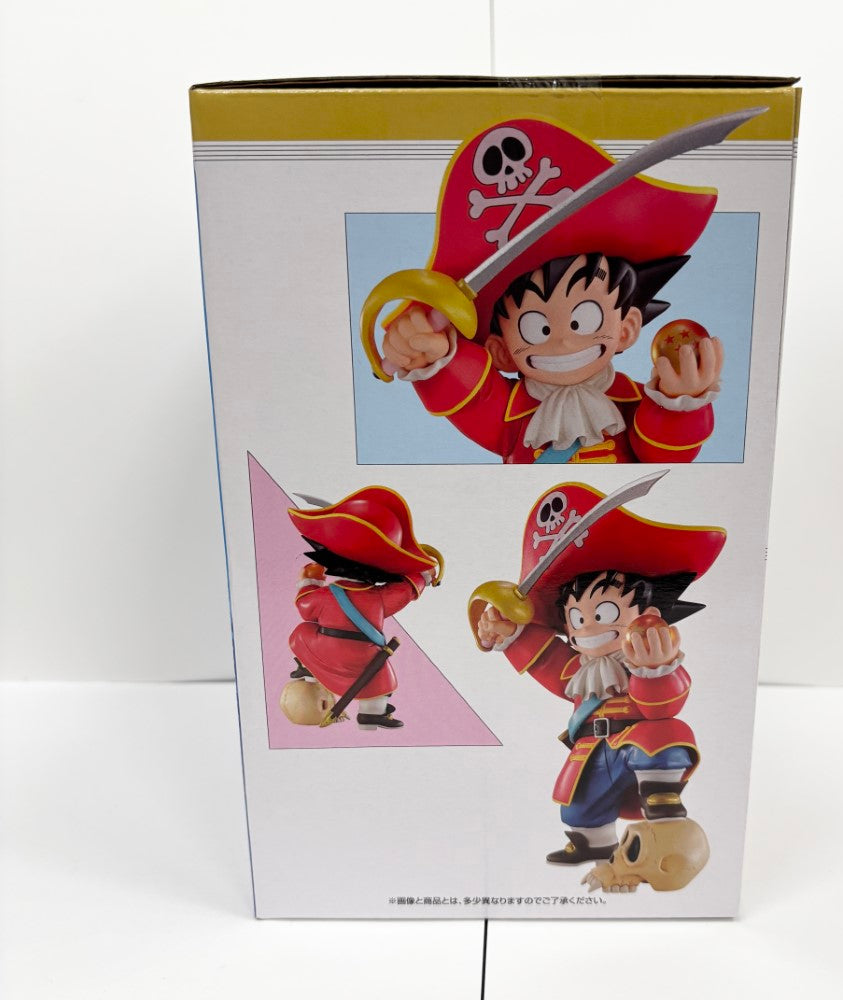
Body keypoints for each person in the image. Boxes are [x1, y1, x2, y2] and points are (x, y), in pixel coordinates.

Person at [372, 117, 725, 464]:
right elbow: (475, 399)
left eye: (585, 318)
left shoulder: (634, 403)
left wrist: (677, 405)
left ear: (627, 327)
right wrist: (438, 358)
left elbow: (661, 454)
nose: (563, 341)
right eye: (535, 328)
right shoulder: (509, 415)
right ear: (501, 352)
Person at [471, 481, 726, 888]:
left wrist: (655, 668)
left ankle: (662, 801)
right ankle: (591, 843)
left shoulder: (646, 660)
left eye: (604, 611)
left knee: (664, 735)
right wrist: (509, 633)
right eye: (576, 617)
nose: (588, 625)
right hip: (590, 749)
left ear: (649, 612)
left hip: (635, 745)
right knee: (577, 806)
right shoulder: (580, 670)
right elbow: (547, 661)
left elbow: (665, 704)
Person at [282, 486, 443, 730]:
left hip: (323, 650)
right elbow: (405, 592)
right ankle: (371, 715)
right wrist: (422, 576)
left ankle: (308, 667)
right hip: (362, 659)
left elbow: (305, 608)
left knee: (302, 633)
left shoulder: (325, 595)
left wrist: (310, 581)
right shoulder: (378, 598)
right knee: (381, 676)